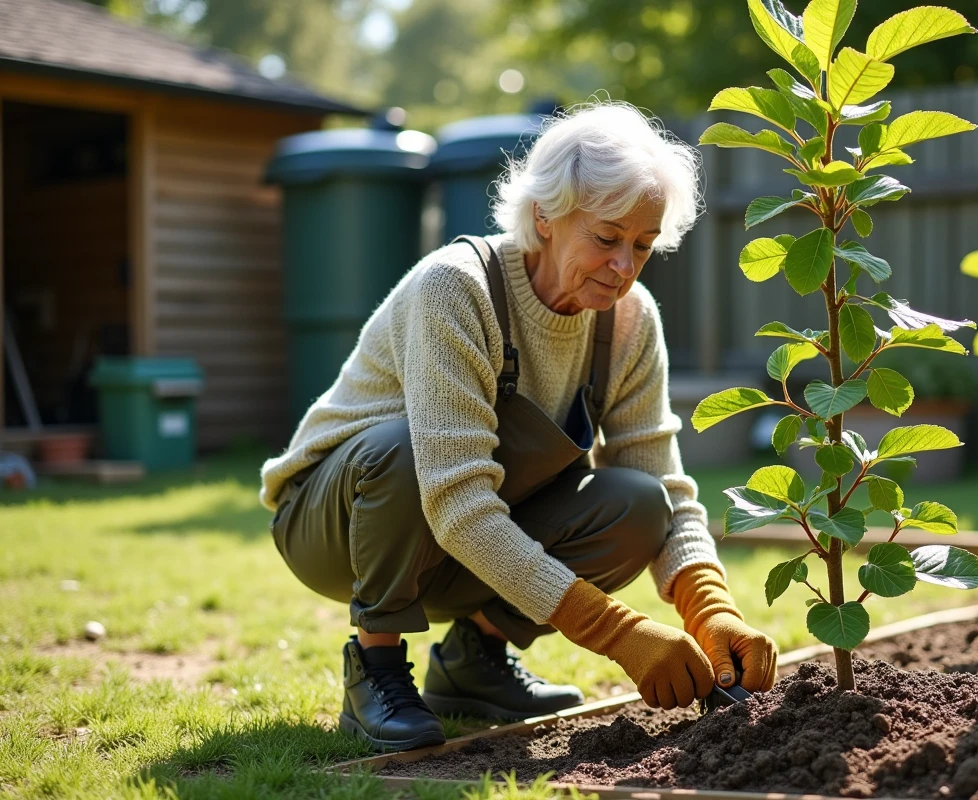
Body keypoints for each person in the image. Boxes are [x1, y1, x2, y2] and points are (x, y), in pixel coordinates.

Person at [260, 101, 778, 753]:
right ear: (544, 216)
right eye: (607, 237)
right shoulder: (457, 288)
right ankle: (376, 666)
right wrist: (618, 632)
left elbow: (665, 487)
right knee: (404, 447)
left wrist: (710, 608)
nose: (624, 267)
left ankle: (476, 659)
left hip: (455, 539)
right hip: (332, 523)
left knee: (638, 506)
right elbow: (457, 502)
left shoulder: (629, 321)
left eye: (642, 246)